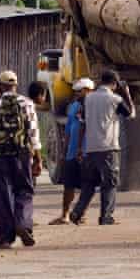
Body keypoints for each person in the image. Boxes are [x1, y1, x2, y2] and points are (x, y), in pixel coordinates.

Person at [0, 70, 42, 249]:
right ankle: (23, 224)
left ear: (1, 86)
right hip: (22, 154)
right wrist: (38, 160)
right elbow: (34, 135)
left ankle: (5, 237)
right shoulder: (27, 103)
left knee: (2, 195)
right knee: (25, 191)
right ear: (16, 85)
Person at [70, 70, 135, 226]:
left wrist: (80, 147)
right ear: (114, 83)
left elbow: (83, 122)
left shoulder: (88, 99)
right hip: (108, 148)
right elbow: (131, 114)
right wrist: (127, 94)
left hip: (90, 148)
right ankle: (106, 216)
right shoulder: (115, 99)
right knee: (110, 183)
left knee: (89, 184)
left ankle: (77, 212)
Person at [50, 78, 93, 225]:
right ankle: (65, 215)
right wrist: (64, 151)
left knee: (86, 186)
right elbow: (68, 130)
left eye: (80, 91)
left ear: (89, 90)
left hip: (88, 153)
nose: (77, 94)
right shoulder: (73, 106)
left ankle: (80, 214)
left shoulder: (93, 107)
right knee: (68, 185)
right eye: (77, 91)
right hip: (72, 153)